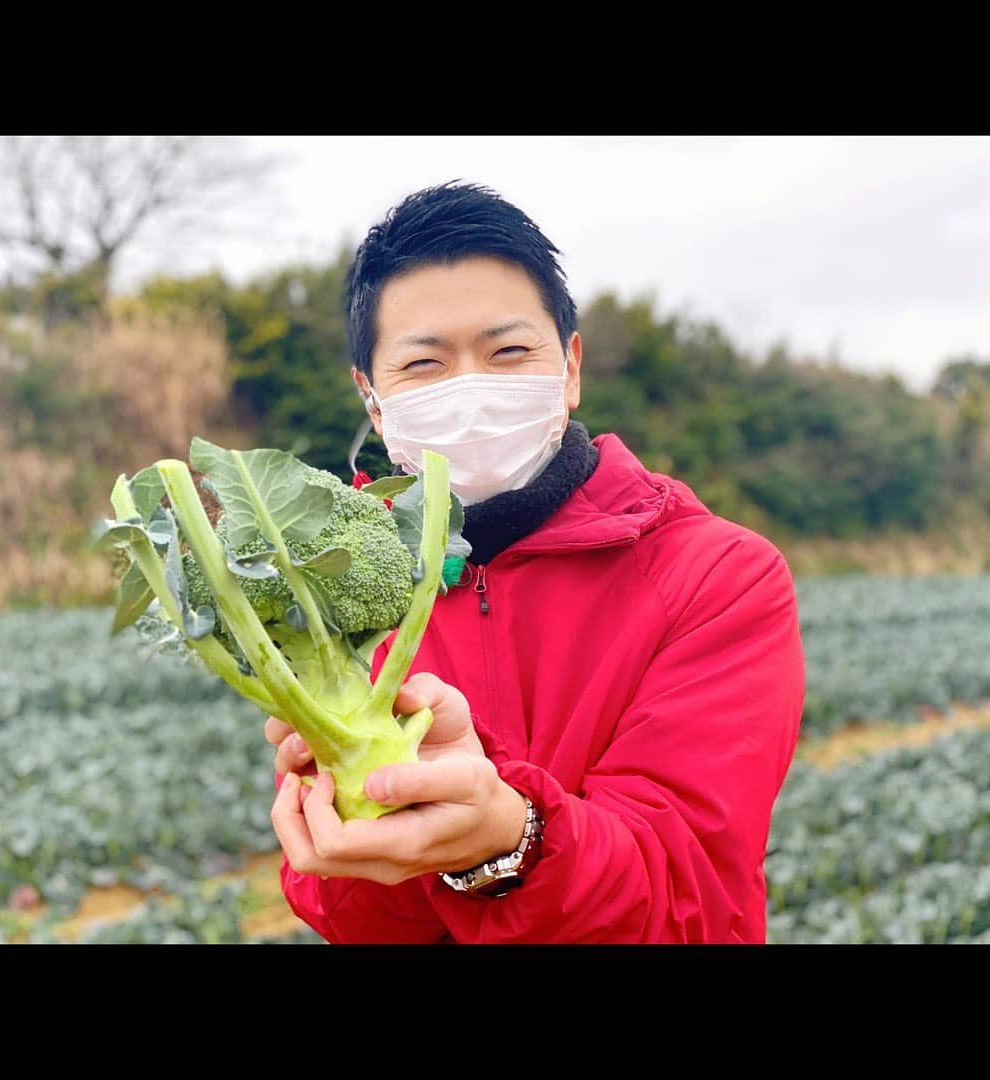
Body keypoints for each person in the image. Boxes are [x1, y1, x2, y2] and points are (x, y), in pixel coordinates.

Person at [266, 180, 806, 944]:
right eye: (423, 364)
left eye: (508, 352)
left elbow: (691, 900)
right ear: (372, 401)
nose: (471, 390)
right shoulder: (336, 594)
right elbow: (357, 917)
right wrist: (344, 844)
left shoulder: (717, 579)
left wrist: (509, 838)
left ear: (571, 366)